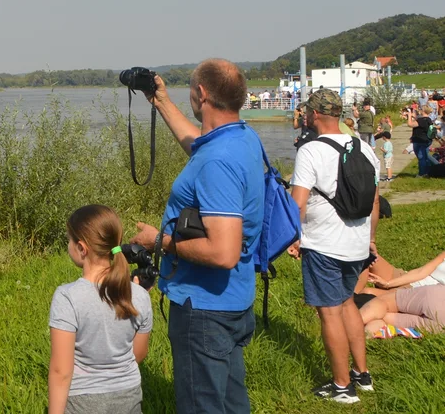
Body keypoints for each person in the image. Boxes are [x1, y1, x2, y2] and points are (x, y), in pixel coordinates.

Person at [130, 59, 263, 414]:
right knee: (232, 400)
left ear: (201, 93)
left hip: (205, 309)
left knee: (201, 406)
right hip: (233, 298)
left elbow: (223, 252)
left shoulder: (217, 160)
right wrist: (160, 100)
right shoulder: (242, 137)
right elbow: (199, 144)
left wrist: (158, 241)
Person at [287, 89, 380, 404]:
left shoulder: (310, 151)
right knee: (347, 303)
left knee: (329, 313)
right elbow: (375, 202)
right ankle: (361, 375)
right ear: (339, 114)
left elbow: (297, 203)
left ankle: (342, 388)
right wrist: (369, 239)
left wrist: (293, 237)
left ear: (313, 115)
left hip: (324, 245)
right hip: (356, 245)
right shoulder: (365, 149)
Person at [48, 204, 152, 414]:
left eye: (70, 240)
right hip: (128, 397)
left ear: (81, 248)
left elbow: (61, 371)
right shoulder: (140, 295)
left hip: (83, 402)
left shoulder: (67, 297)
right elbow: (138, 353)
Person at [405, 105, 435, 176]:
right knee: (425, 156)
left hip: (419, 141)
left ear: (423, 111)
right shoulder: (428, 119)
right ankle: (428, 172)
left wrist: (409, 116)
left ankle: (422, 173)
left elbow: (410, 124)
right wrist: (413, 116)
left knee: (421, 157)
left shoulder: (421, 120)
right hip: (426, 140)